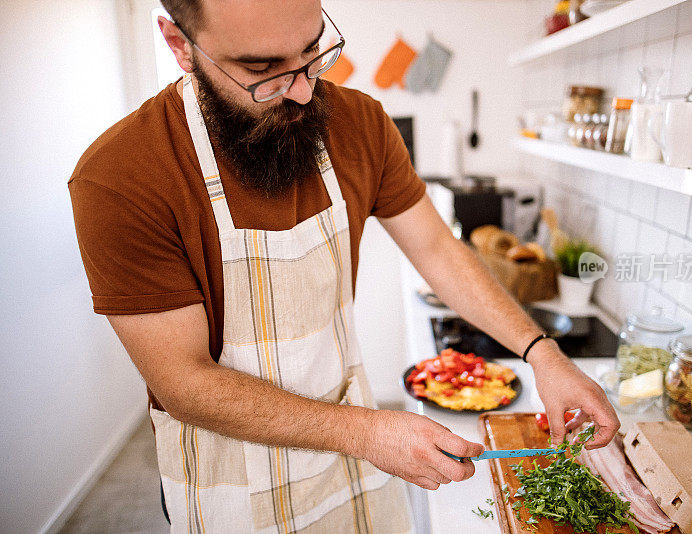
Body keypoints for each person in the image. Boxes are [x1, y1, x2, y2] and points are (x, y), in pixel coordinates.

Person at [68, 0, 620, 532]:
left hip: (352, 449)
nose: (306, 91)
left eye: (312, 51)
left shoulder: (360, 124)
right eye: (263, 70)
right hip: (230, 469)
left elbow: (437, 249)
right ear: (180, 46)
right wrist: (366, 433)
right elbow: (184, 382)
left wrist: (541, 353)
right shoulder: (120, 178)